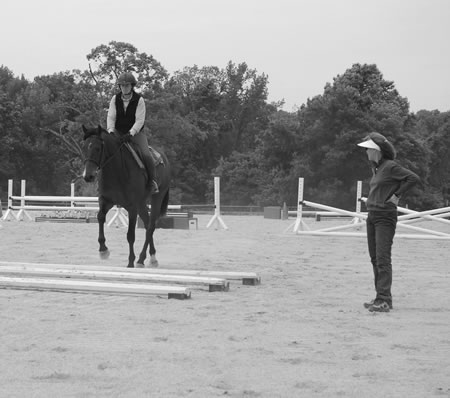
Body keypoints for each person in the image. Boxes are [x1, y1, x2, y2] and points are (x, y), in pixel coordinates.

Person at [357, 132, 420, 312]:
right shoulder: (376, 169)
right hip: (373, 216)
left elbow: (413, 178)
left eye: (368, 150)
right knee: (375, 258)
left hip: (385, 217)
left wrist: (397, 195)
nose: (366, 153)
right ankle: (380, 296)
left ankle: (384, 299)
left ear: (376, 151)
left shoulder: (391, 166)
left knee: (383, 258)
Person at [107, 71, 158, 194]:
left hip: (136, 134)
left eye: (127, 85)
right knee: (105, 152)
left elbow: (139, 120)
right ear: (119, 87)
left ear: (132, 86)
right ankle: (104, 182)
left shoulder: (139, 100)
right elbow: (111, 117)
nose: (124, 88)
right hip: (118, 132)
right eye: (122, 86)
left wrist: (130, 133)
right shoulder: (115, 99)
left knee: (146, 154)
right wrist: (111, 131)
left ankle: (151, 182)